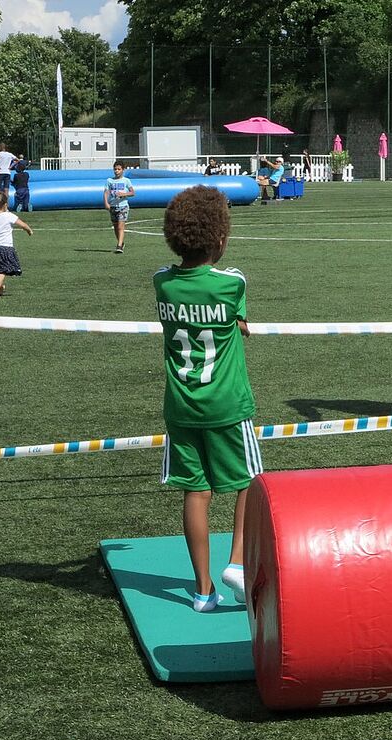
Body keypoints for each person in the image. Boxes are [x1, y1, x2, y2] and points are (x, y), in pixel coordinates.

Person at [153, 185, 261, 612]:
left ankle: (203, 591)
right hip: (227, 404)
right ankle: (237, 561)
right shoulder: (231, 283)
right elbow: (240, 321)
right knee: (250, 482)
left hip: (181, 406)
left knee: (195, 492)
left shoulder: (162, 283)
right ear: (219, 237)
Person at [0, 190, 32, 298]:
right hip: (5, 247)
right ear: (5, 205)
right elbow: (23, 224)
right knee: (3, 269)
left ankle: (0, 287)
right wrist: (29, 230)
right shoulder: (9, 216)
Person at [104, 160, 136, 253]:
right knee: (115, 226)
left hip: (123, 206)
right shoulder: (109, 181)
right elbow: (106, 192)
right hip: (113, 206)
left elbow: (132, 192)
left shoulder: (126, 181)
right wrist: (106, 203)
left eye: (119, 169)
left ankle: (119, 246)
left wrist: (124, 194)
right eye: (115, 169)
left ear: (123, 170)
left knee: (120, 226)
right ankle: (121, 242)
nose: (116, 171)